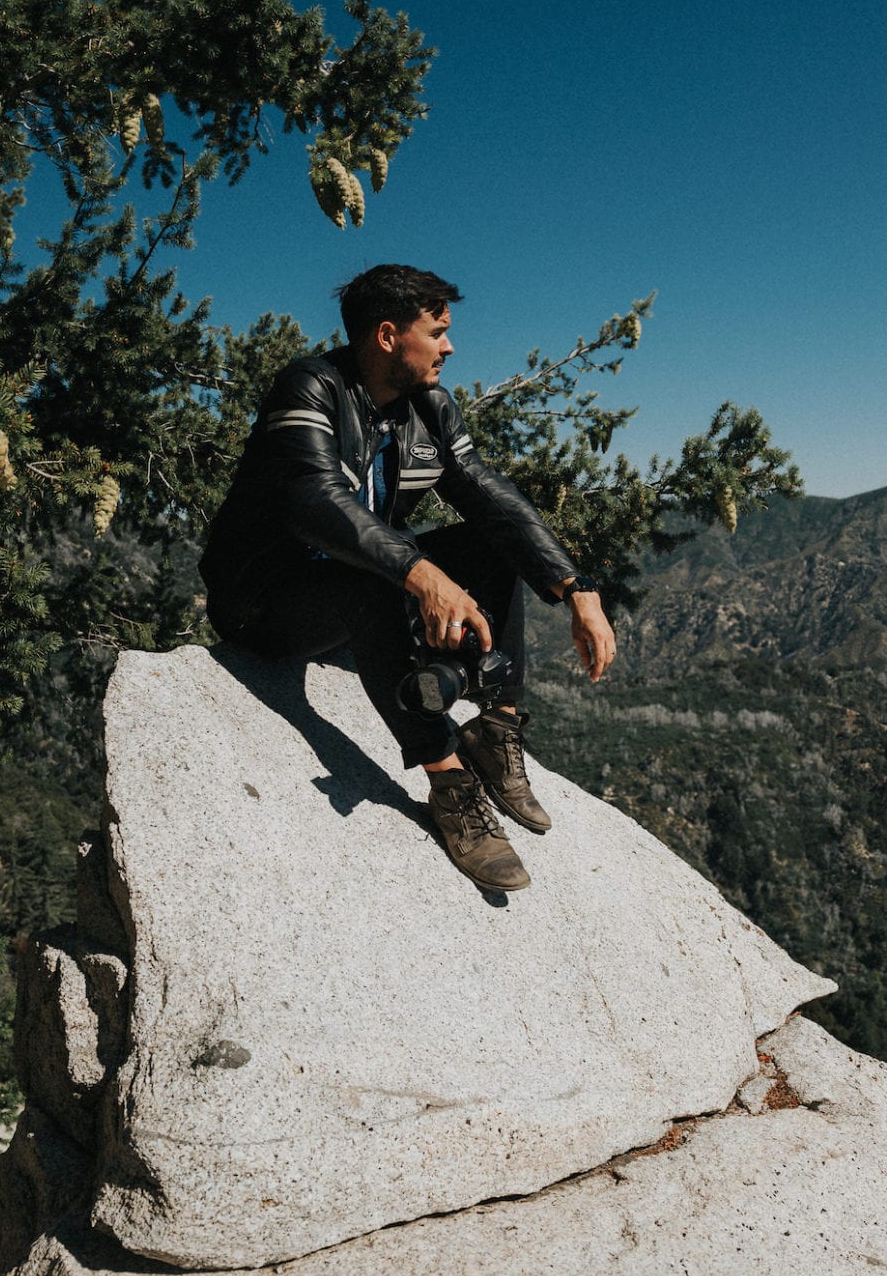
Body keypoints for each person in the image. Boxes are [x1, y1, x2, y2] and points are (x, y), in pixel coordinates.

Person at [200, 264, 616, 891]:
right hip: (264, 606)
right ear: (389, 336)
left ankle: (496, 729)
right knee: (375, 574)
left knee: (487, 543)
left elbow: (488, 497)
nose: (450, 347)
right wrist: (422, 575)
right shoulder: (311, 388)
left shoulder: (429, 408)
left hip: (360, 588)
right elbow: (312, 498)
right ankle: (449, 782)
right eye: (438, 331)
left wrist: (574, 588)